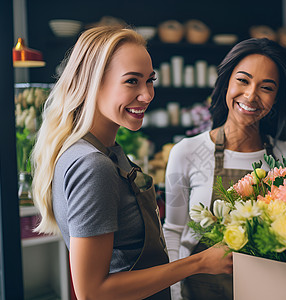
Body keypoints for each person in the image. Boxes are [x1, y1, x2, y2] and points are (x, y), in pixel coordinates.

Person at [31, 26, 232, 300]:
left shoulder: (101, 149)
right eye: (131, 81)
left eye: (150, 80)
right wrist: (199, 263)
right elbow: (93, 292)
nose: (147, 95)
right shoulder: (93, 165)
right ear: (93, 82)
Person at [163, 38, 286, 300]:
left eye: (266, 87)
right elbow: (173, 232)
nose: (250, 95)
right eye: (243, 80)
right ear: (227, 82)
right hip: (200, 292)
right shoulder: (186, 153)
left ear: (277, 98)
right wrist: (174, 294)